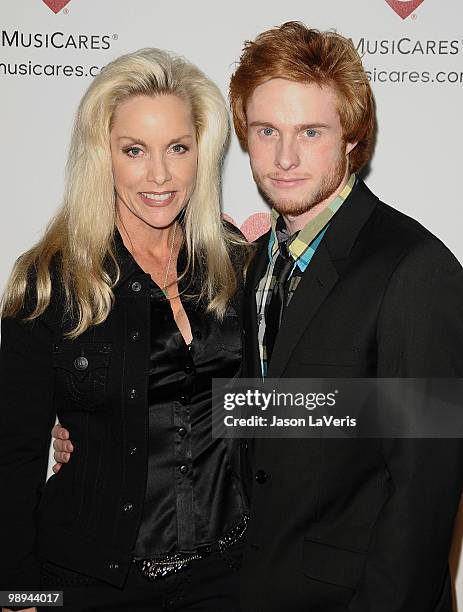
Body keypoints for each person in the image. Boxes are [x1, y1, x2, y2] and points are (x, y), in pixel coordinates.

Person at [52, 22, 463, 612]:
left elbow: (425, 492)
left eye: (311, 132)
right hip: (252, 584)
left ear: (352, 137)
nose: (286, 157)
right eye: (267, 130)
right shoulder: (253, 263)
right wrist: (98, 429)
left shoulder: (417, 269)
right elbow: (285, 409)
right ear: (243, 133)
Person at [0, 47, 250, 612]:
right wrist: (17, 593)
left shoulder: (235, 263)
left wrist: (414, 412)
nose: (158, 175)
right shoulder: (50, 283)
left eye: (178, 149)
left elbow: (268, 406)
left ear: (201, 155)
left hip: (229, 576)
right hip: (95, 585)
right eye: (134, 150)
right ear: (102, 156)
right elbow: (12, 456)